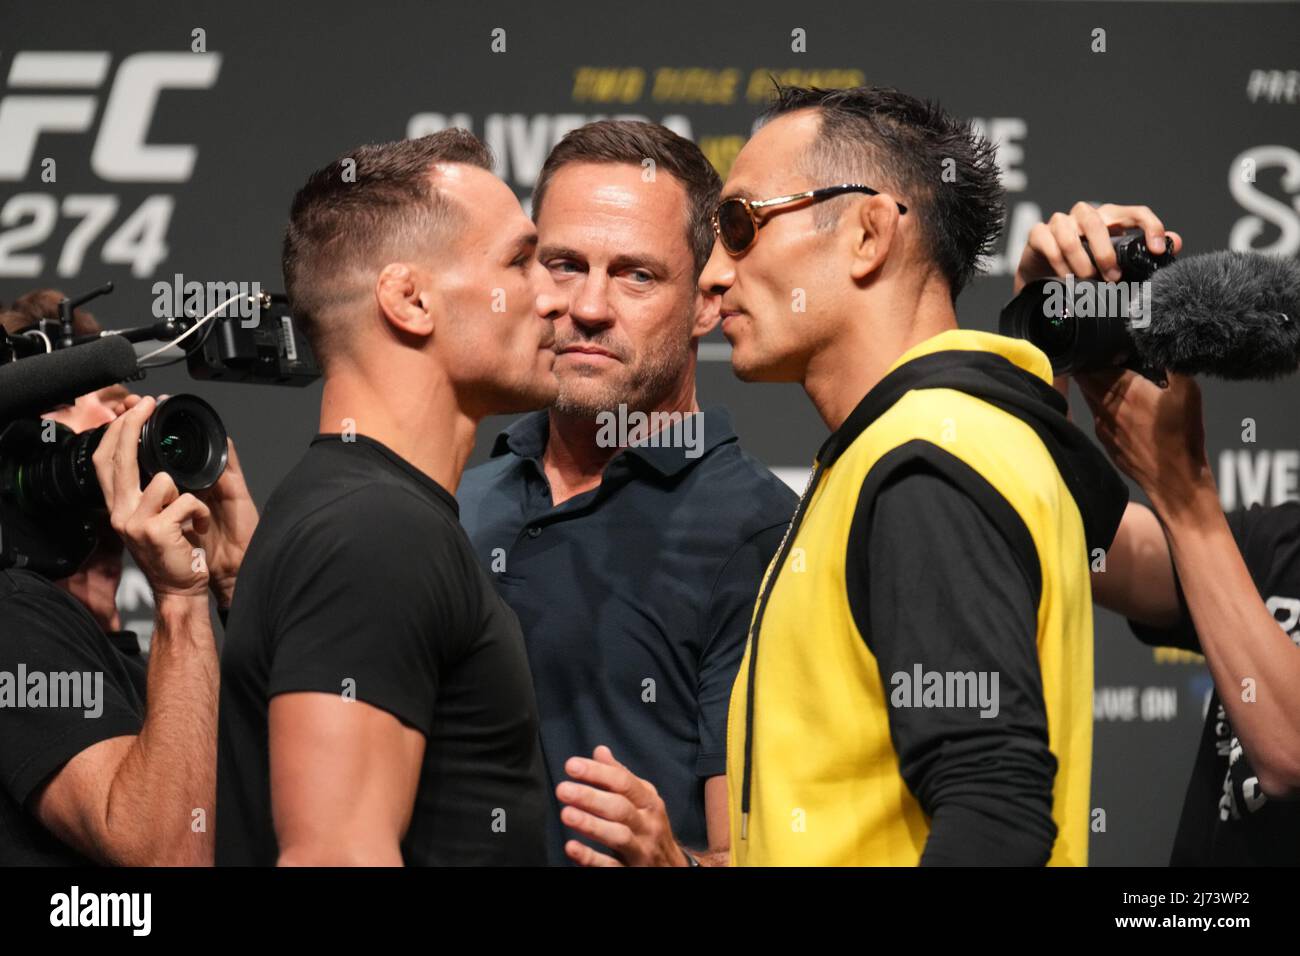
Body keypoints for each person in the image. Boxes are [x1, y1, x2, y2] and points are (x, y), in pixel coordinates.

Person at [690, 84, 1126, 866]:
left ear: (867, 233)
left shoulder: (926, 460)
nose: (713, 274)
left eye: (741, 225)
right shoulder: (924, 446)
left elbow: (994, 815)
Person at [215, 130, 567, 866]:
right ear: (409, 300)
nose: (556, 296)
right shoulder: (376, 534)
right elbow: (334, 857)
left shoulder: (364, 513)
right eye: (520, 261)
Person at [458, 120, 796, 867]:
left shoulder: (763, 536)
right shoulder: (462, 502)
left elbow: (754, 854)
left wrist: (668, 863)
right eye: (563, 264)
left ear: (707, 302)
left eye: (637, 274)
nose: (588, 306)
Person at [1021, 199, 1300, 865]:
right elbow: (1080, 543)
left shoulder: (1207, 516)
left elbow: (1288, 750)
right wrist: (1044, 343)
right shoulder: (1279, 543)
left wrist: (1185, 492)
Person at [0, 293, 257, 865]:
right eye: (78, 403)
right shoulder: (10, 616)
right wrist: (180, 599)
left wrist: (242, 583)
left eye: (123, 399)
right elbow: (168, 851)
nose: (126, 417)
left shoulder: (144, 660)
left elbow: (298, 810)